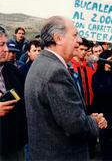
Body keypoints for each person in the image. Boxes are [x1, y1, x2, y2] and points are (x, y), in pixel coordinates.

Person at [24, 16, 107, 161]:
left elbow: (62, 114)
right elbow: (75, 125)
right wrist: (96, 122)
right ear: (58, 38)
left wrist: (86, 118)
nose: (80, 40)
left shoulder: (41, 62)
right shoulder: (55, 72)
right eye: (75, 35)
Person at [0, 25, 28, 160]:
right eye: (1, 45)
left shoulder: (14, 71)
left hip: (15, 143)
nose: (6, 49)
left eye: (5, 44)